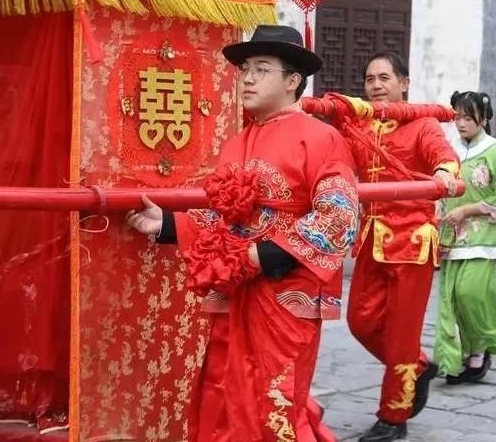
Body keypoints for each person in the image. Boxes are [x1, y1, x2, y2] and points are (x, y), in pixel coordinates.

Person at [125, 25, 360, 442]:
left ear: (292, 81)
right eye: (245, 69)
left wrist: (264, 256)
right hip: (234, 292)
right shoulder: (236, 143)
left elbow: (339, 215)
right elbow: (223, 219)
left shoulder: (322, 138)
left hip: (283, 293)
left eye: (262, 69)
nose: (248, 78)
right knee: (223, 396)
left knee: (275, 400)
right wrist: (166, 224)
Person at [338, 51, 459, 442]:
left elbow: (444, 157)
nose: (376, 85)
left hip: (411, 243)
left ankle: (393, 417)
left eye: (384, 78)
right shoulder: (359, 125)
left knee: (403, 333)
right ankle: (418, 367)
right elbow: (335, 156)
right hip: (372, 238)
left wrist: (443, 173)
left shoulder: (422, 123)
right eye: (370, 78)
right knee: (360, 321)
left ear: (403, 83)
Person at [434, 91, 496, 384]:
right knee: (450, 300)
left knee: (471, 295)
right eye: (457, 117)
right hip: (450, 234)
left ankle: (479, 346)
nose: (461, 123)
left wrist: (468, 209)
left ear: (484, 117)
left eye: (468, 117)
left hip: (482, 234)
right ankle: (455, 360)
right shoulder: (448, 150)